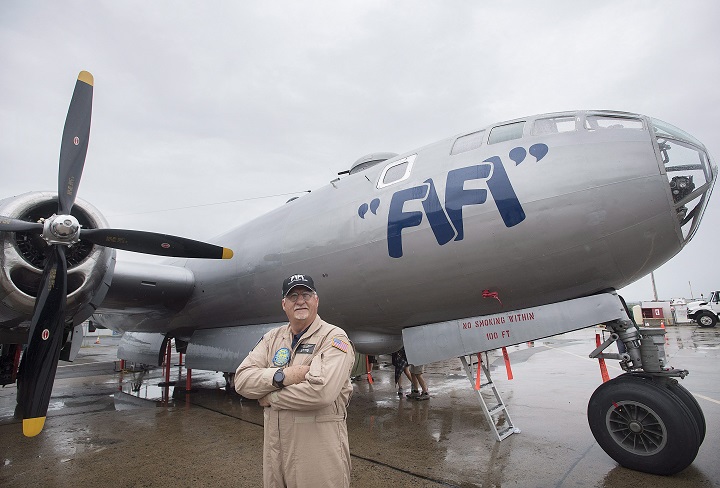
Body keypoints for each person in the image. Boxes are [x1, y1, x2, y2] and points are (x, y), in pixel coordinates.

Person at [234, 274, 355, 488]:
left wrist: (270, 396)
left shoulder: (334, 339)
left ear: (316, 300)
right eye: (293, 296)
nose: (300, 301)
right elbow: (242, 380)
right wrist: (285, 376)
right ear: (284, 304)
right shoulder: (272, 338)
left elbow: (322, 392)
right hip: (276, 458)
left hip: (317, 461)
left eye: (306, 294)